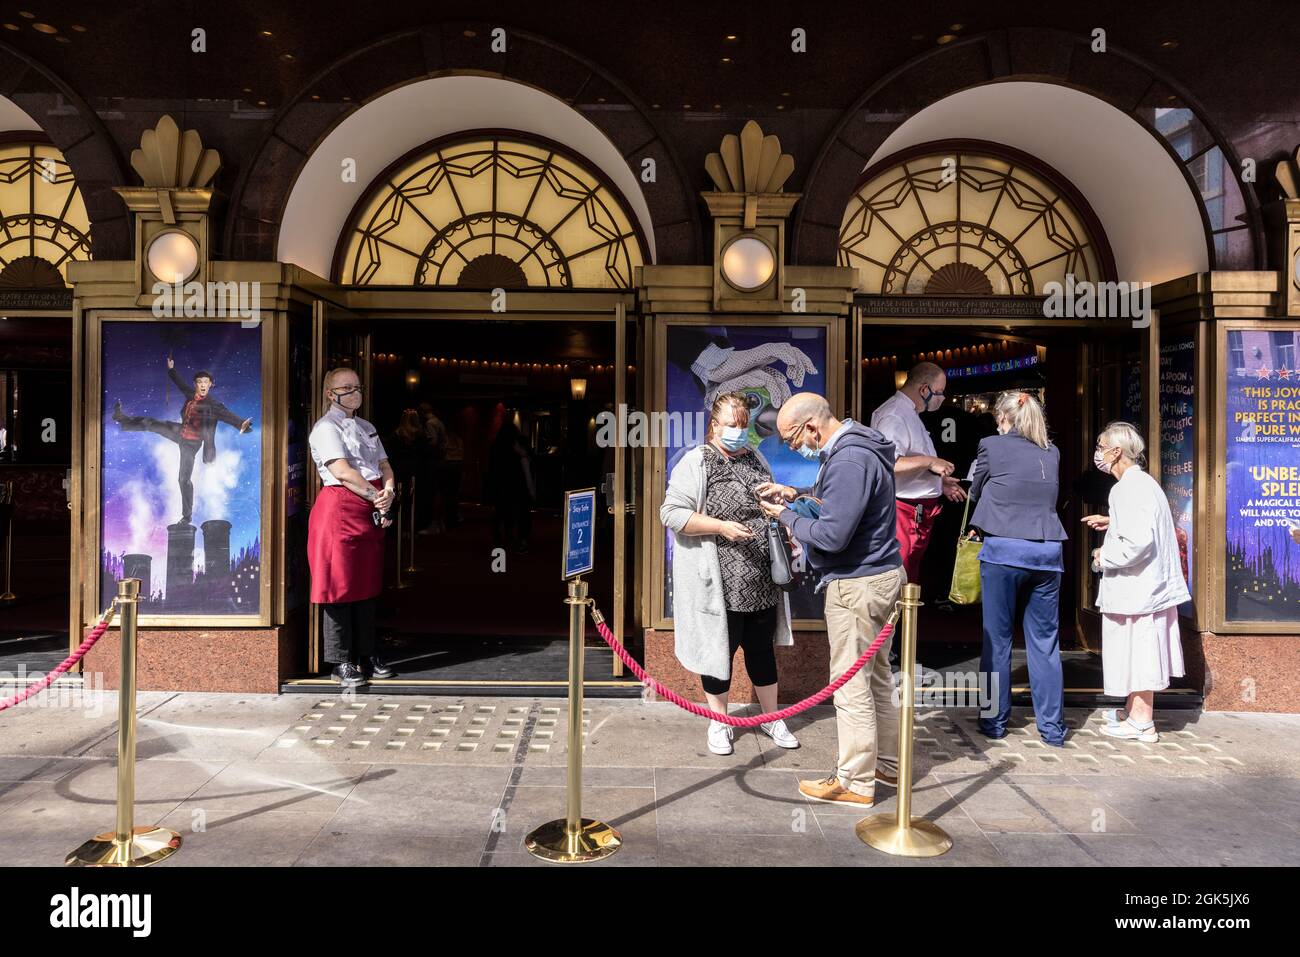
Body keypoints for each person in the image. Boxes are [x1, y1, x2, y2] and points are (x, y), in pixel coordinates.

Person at [757, 393, 904, 806]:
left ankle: (854, 781)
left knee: (850, 685)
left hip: (857, 583)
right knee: (876, 679)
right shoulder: (858, 445)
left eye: (791, 439)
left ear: (812, 427)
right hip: (880, 576)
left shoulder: (848, 460)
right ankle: (887, 765)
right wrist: (795, 494)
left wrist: (783, 517)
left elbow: (832, 536)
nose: (791, 447)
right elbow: (839, 503)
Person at [661, 392, 798, 756]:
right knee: (718, 651)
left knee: (761, 650)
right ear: (714, 425)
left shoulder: (755, 456)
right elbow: (672, 514)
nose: (738, 432)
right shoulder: (697, 461)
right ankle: (719, 721)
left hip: (760, 577)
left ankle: (771, 717)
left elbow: (766, 505)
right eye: (731, 425)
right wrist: (721, 527)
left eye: (743, 425)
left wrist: (780, 499)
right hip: (717, 581)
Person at [967, 391, 1068, 746]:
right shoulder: (1051, 452)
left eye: (999, 418)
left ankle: (994, 722)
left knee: (998, 640)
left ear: (1005, 419)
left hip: (1003, 552)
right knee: (1045, 643)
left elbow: (975, 489)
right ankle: (1052, 729)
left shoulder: (991, 446)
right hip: (1047, 553)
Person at [1083, 421, 1190, 743]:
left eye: (1101, 447)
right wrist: (1114, 522)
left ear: (1116, 452)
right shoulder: (1141, 484)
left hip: (1139, 590)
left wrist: (1104, 555)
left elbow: (1138, 543)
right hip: (1147, 589)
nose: (1098, 453)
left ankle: (1142, 721)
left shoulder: (1126, 488)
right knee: (1139, 651)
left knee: (1139, 652)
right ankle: (1134, 711)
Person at [308, 368, 396, 688]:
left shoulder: (366, 426)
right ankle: (340, 660)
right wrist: (378, 498)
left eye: (358, 387)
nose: (355, 392)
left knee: (366, 583)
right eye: (347, 387)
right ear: (332, 394)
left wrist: (389, 492)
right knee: (339, 586)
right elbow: (342, 471)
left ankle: (366, 652)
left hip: (369, 505)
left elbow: (384, 464)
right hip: (341, 508)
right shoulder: (324, 428)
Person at [112, 356, 253, 526]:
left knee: (183, 479)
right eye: (199, 382)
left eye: (205, 382)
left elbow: (228, 416)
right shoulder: (190, 394)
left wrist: (241, 424)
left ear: (210, 385)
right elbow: (179, 383)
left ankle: (187, 517)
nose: (202, 385)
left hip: (191, 444)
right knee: (151, 423)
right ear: (196, 384)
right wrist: (171, 369)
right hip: (180, 432)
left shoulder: (214, 405)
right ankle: (121, 418)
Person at [870, 361, 967, 587]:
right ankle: (891, 624)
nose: (942, 398)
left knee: (908, 580)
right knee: (895, 578)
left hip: (916, 511)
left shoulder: (909, 412)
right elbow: (888, 463)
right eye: (940, 392)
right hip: (902, 512)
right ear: (924, 390)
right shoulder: (894, 414)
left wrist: (938, 482)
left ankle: (904, 623)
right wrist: (930, 461)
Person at [485, 421, 534, 552]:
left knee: (502, 512)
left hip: (501, 484)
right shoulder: (517, 445)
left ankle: (503, 537)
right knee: (522, 512)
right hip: (517, 483)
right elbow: (526, 462)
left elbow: (491, 468)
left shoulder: (496, 445)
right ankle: (521, 539)